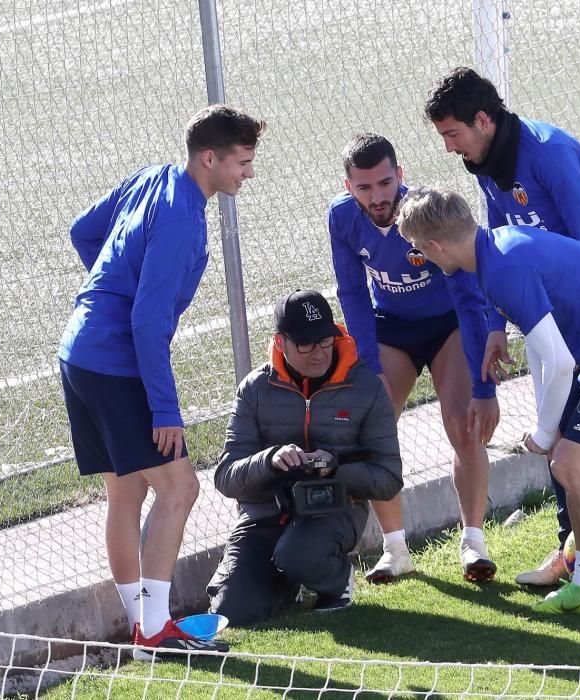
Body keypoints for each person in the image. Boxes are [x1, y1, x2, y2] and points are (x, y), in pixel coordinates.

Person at [395, 186, 580, 641]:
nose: (421, 258)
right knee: (565, 463)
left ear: (434, 246)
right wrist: (546, 424)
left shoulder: (502, 268)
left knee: (572, 462)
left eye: (418, 249)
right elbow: (541, 343)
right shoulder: (496, 251)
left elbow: (560, 360)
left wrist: (546, 428)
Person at [424, 66, 580, 586]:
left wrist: (575, 321)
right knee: (569, 436)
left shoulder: (550, 154)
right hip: (560, 308)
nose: (448, 147)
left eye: (452, 134)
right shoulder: (486, 161)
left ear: (482, 120)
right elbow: (498, 247)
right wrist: (498, 324)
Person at [57, 104, 265, 659]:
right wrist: (165, 410)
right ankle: (153, 631)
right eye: (242, 162)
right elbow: (146, 323)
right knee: (179, 487)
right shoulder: (181, 220)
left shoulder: (154, 175)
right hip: (115, 364)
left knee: (126, 489)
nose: (248, 172)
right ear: (209, 158)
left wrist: (110, 288)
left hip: (79, 350)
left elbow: (85, 233)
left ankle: (141, 625)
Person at [328, 134, 502, 584]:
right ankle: (396, 549)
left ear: (400, 176)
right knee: (375, 426)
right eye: (364, 188)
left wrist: (483, 378)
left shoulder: (423, 214)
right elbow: (352, 292)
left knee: (462, 422)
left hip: (448, 325)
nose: (377, 196)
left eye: (385, 183)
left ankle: (473, 542)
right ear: (348, 187)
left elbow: (466, 291)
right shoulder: (342, 218)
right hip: (392, 329)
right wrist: (368, 362)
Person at [206, 290, 403, 623]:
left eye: (325, 341)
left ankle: (337, 582)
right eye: (306, 345)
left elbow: (388, 479)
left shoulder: (366, 387)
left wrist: (335, 467)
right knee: (230, 612)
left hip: (334, 508)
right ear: (280, 342)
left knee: (299, 553)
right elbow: (226, 477)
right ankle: (286, 581)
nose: (319, 354)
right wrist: (269, 460)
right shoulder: (254, 388)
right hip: (264, 514)